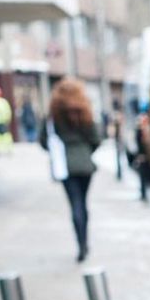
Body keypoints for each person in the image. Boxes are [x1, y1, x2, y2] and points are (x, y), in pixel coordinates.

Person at [40, 78, 101, 261]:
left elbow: (44, 141)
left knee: (75, 204)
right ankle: (85, 242)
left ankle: (80, 245)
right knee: (83, 202)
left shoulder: (54, 116)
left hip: (65, 165)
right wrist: (85, 152)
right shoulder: (85, 112)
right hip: (85, 165)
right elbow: (96, 139)